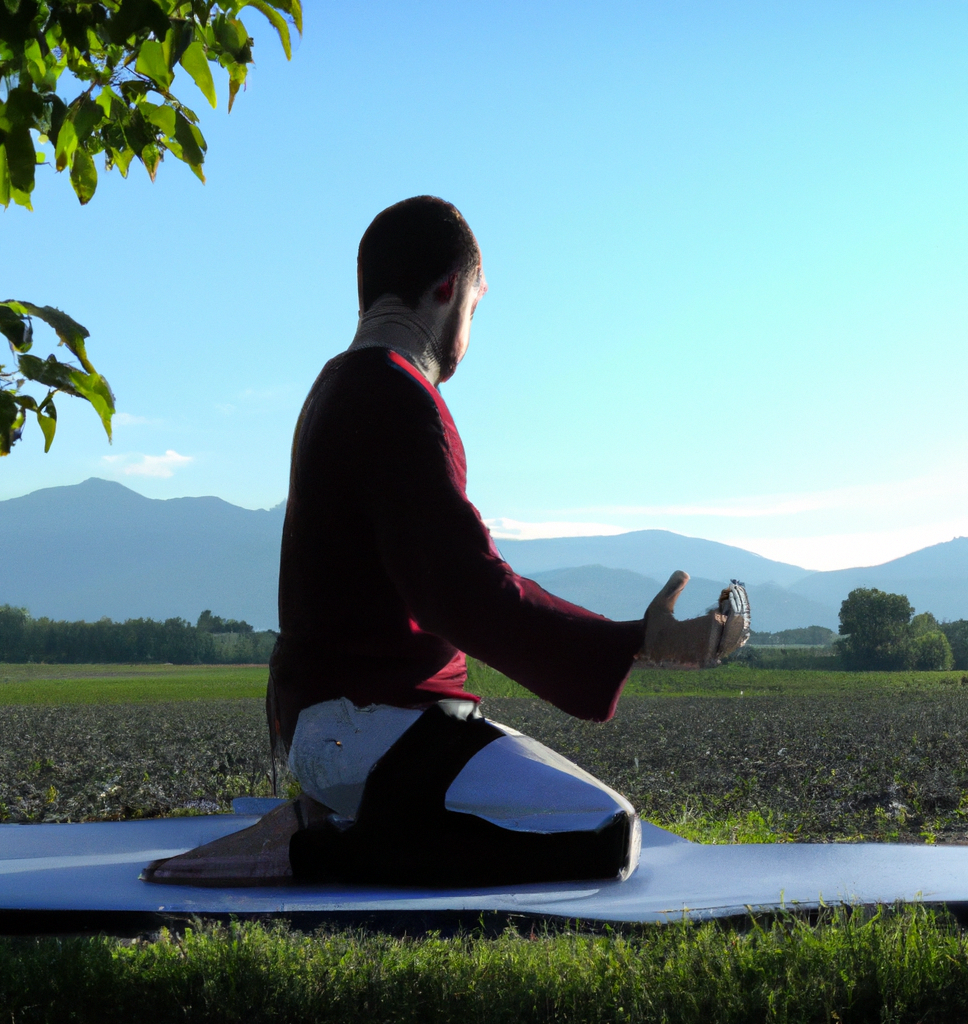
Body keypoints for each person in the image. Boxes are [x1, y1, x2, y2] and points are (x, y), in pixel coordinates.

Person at [143, 197, 749, 889]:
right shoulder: (393, 396)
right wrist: (638, 641)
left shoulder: (343, 385)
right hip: (370, 729)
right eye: (474, 307)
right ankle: (314, 847)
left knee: (568, 817)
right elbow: (463, 592)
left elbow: (450, 579)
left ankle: (340, 820)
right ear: (447, 290)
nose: (469, 330)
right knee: (603, 831)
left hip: (355, 725)